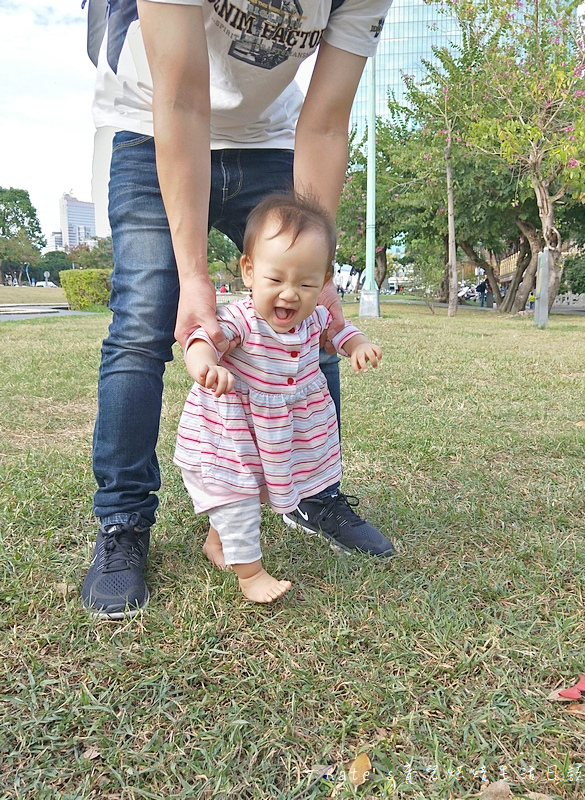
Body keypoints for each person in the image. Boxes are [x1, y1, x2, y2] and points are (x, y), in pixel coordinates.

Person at [82, 0, 395, 619]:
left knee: (308, 314)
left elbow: (327, 123)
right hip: (155, 123)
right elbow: (183, 99)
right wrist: (195, 277)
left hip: (269, 137)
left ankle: (314, 493)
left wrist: (318, 270)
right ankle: (123, 523)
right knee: (143, 322)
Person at [176, 193, 391, 603]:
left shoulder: (316, 316)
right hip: (231, 432)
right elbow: (200, 338)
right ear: (249, 271)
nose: (290, 294)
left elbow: (339, 334)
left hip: (278, 435)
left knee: (252, 490)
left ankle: (216, 544)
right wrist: (206, 365)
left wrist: (359, 344)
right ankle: (251, 574)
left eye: (306, 283)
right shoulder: (241, 318)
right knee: (237, 497)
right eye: (276, 280)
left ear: (325, 282)